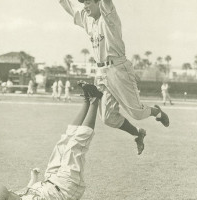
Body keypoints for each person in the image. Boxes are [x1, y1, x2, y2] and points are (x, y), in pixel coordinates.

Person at [59, 0, 170, 155]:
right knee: (108, 118)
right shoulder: (89, 21)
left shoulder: (109, 17)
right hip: (101, 72)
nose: (85, 5)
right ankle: (138, 133)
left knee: (137, 113)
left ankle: (157, 112)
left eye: (89, 2)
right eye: (84, 3)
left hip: (118, 69)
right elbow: (70, 7)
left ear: (99, 4)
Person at [0, 82, 107, 200]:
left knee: (63, 143)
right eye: (8, 194)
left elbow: (28, 191)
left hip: (50, 179)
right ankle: (95, 100)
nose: (11, 190)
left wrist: (33, 178)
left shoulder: (18, 196)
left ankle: (86, 101)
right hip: (66, 188)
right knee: (74, 147)